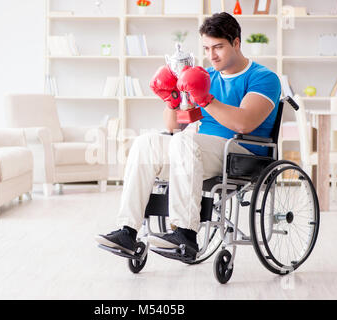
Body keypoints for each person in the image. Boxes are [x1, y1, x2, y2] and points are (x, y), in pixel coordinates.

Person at [96, 12, 281, 260]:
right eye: (206, 48)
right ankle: (127, 231)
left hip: (241, 153)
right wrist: (171, 99)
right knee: (145, 142)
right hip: (195, 150)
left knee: (186, 142)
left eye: (218, 47)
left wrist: (205, 98)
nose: (211, 55)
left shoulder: (263, 77)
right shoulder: (206, 77)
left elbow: (244, 123)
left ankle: (184, 234)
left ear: (236, 43)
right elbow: (175, 127)